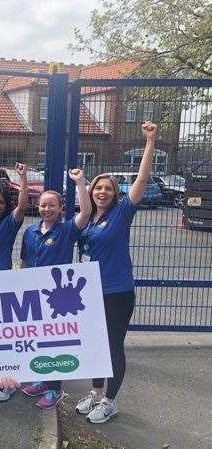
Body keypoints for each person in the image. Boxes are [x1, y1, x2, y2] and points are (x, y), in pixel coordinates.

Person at [75, 121, 157, 423]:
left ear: (115, 193)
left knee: (112, 345)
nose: (103, 192)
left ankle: (110, 400)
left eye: (108, 188)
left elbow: (142, 180)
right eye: (99, 188)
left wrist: (149, 142)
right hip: (90, 293)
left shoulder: (122, 213)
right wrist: (81, 183)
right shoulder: (88, 219)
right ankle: (96, 393)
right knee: (95, 343)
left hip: (117, 291)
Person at [0, 169, 91, 408]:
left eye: (51, 206)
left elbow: (86, 212)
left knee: (55, 341)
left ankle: (55, 389)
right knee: (36, 338)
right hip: (34, 296)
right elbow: (25, 262)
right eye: (43, 206)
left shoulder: (67, 230)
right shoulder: (30, 232)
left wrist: (80, 183)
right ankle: (41, 380)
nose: (46, 209)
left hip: (58, 297)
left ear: (60, 209)